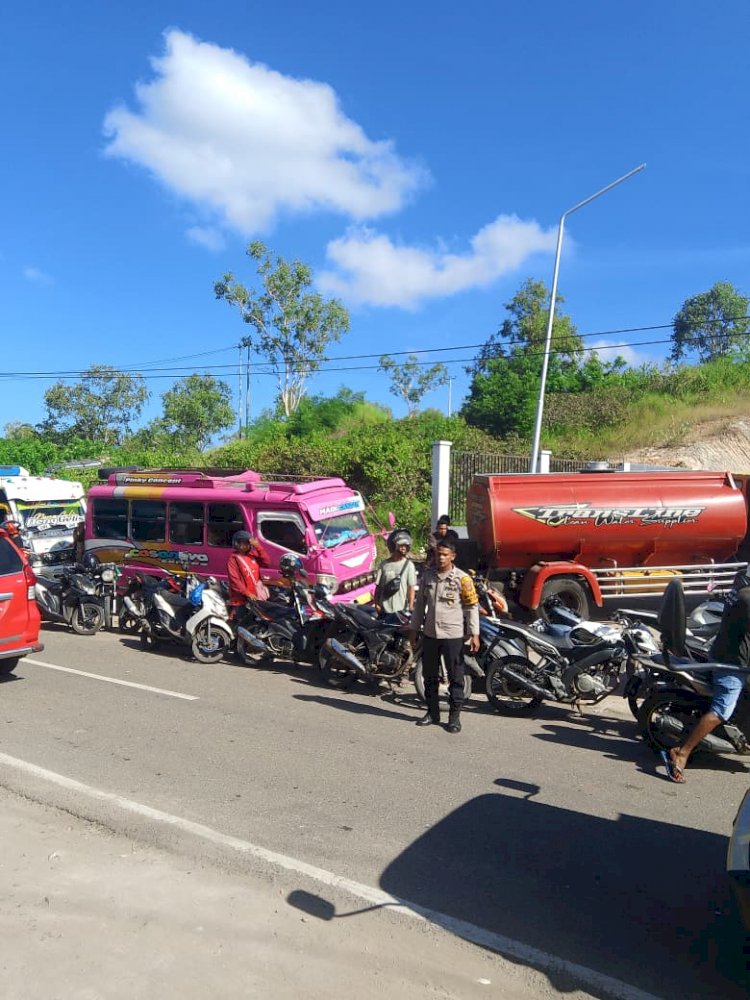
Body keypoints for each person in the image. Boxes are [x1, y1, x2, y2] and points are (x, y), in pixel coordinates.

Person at [665, 570, 750, 783]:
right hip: (732, 664)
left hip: (725, 651)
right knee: (722, 710)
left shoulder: (740, 587)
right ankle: (682, 753)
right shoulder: (747, 597)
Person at [409, 536, 480, 734]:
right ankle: (432, 713)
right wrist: (414, 630)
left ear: (452, 556)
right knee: (429, 675)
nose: (440, 558)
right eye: (437, 554)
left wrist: (474, 633)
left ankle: (454, 717)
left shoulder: (463, 579)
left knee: (456, 677)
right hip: (431, 633)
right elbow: (419, 606)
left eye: (444, 555)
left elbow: (471, 607)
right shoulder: (427, 576)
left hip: (453, 635)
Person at [374, 528, 417, 620]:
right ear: (394, 546)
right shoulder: (384, 565)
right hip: (384, 610)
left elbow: (411, 588)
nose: (403, 548)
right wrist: (377, 604)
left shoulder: (409, 565)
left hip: (400, 610)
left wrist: (411, 606)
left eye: (406, 545)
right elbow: (378, 587)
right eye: (401, 545)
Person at [226, 530, 270, 612]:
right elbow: (234, 580)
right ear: (236, 544)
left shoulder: (252, 555)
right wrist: (247, 593)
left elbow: (266, 562)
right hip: (241, 598)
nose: (243, 546)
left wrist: (258, 547)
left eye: (246, 543)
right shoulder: (233, 559)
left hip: (255, 596)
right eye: (240, 543)